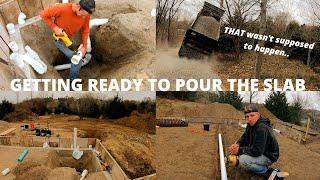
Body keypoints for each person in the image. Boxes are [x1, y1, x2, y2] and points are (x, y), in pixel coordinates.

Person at [40, 0, 95, 81]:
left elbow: (85, 30)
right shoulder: (61, 8)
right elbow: (43, 14)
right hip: (59, 40)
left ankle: (67, 63)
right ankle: (71, 83)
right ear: (78, 7)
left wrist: (84, 46)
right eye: (82, 14)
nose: (83, 17)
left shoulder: (86, 14)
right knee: (77, 61)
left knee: (71, 53)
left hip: (68, 39)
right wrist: (55, 27)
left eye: (85, 16)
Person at [229, 104, 281, 179]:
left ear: (258, 115)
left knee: (243, 160)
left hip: (269, 155)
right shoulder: (250, 125)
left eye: (252, 115)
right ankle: (259, 166)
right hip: (260, 150)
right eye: (247, 116)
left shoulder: (262, 128)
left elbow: (257, 151)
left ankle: (265, 171)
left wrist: (239, 150)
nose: (249, 119)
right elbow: (244, 137)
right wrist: (237, 144)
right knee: (241, 153)